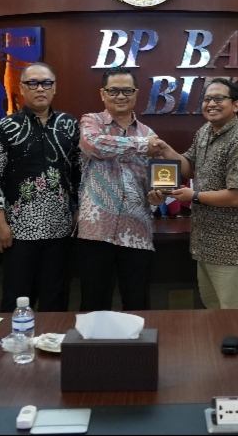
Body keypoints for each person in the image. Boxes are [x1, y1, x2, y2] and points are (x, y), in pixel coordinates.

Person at [150, 78, 238, 309]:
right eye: (207, 99)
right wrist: (167, 150)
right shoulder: (205, 132)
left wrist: (193, 196)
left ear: (236, 105)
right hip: (205, 244)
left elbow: (237, 197)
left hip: (231, 247)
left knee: (237, 316)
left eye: (219, 98)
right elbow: (189, 168)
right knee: (213, 313)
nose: (211, 103)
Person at [0, 62, 80, 313]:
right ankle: (14, 339)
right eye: (33, 83)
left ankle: (52, 338)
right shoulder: (5, 127)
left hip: (60, 229)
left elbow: (78, 173)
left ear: (54, 88)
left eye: (46, 83)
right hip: (18, 232)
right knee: (15, 300)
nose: (40, 89)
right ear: (21, 88)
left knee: (55, 299)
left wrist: (78, 210)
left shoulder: (69, 125)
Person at [76, 67, 163, 311]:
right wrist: (141, 145)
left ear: (136, 93)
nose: (121, 96)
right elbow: (94, 146)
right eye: (114, 90)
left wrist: (159, 195)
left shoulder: (149, 134)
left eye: (127, 91)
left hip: (137, 232)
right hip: (96, 231)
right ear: (103, 93)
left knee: (136, 304)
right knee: (94, 304)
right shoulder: (91, 121)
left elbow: (159, 177)